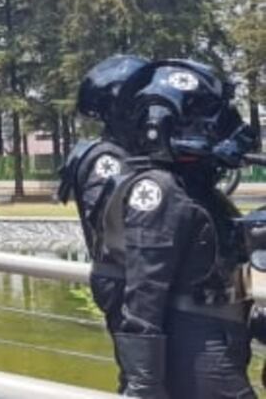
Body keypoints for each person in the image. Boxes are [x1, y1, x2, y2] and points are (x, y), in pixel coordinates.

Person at [100, 59, 257, 398]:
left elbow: (217, 270)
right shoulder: (160, 191)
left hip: (220, 339)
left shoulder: (196, 189)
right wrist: (144, 386)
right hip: (197, 352)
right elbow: (144, 293)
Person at [57, 54, 148, 391]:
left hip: (130, 280)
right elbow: (114, 227)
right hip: (122, 280)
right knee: (138, 377)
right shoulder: (108, 159)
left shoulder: (124, 153)